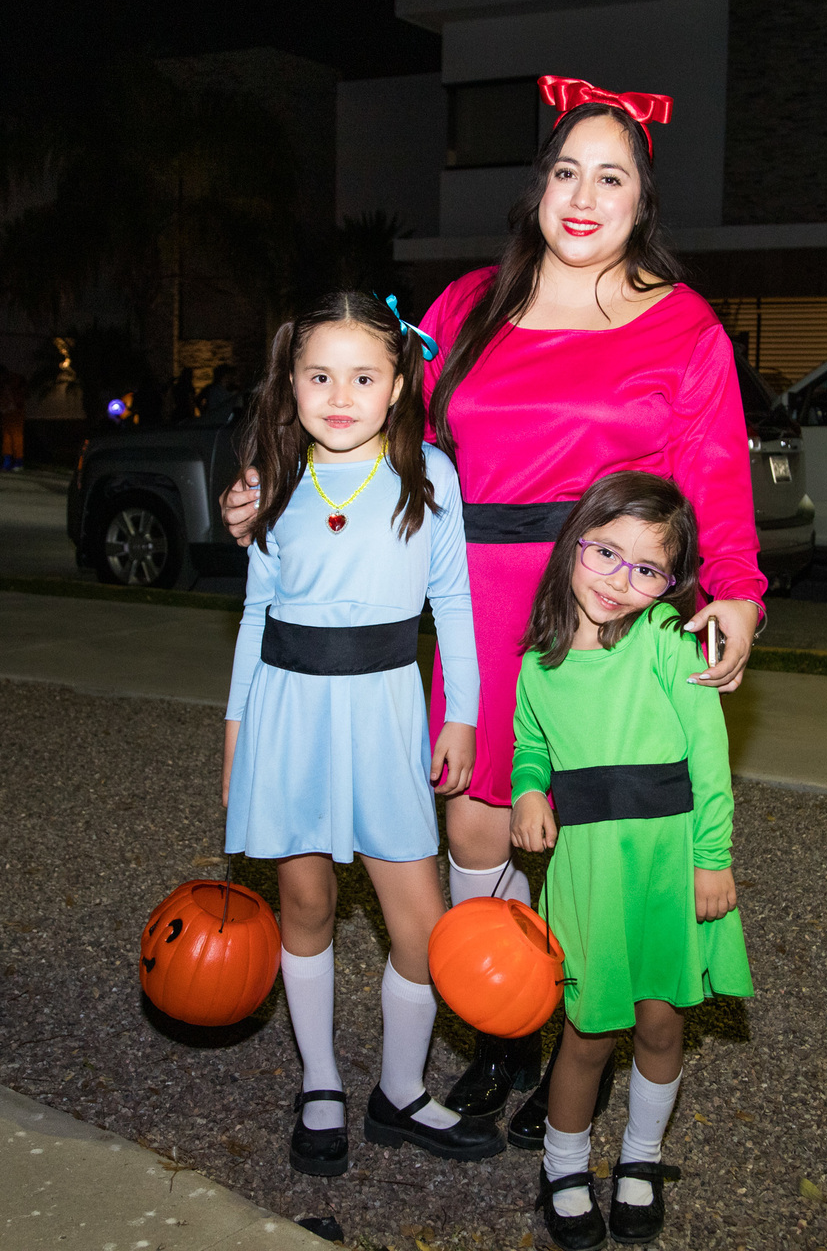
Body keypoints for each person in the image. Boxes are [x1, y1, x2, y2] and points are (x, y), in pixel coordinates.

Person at [222, 75, 765, 1138]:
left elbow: (714, 470)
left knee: (600, 843)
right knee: (479, 835)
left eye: (610, 177)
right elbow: (362, 416)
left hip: (606, 620)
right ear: (538, 188)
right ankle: (502, 1024)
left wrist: (738, 591)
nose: (583, 195)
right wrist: (258, 485)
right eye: (566, 170)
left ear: (641, 199)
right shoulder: (467, 307)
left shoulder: (685, 326)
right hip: (477, 597)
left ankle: (587, 1038)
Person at [222, 290, 498, 1177]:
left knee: (420, 928)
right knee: (303, 907)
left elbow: (454, 601)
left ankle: (401, 1090)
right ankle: (321, 1082)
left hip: (385, 713)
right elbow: (255, 614)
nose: (340, 395)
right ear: (290, 385)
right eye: (319, 375)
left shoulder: (432, 479)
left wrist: (461, 715)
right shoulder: (271, 480)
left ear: (396, 388)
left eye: (362, 376)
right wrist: (235, 737)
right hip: (287, 714)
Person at [507, 471, 751, 1249]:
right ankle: (564, 1163)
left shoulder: (670, 646)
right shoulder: (538, 663)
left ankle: (641, 1159)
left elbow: (711, 761)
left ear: (671, 584)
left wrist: (711, 859)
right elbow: (530, 747)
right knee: (586, 1032)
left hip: (670, 863)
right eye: (606, 553)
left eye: (648, 569)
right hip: (590, 873)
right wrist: (528, 791)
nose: (621, 581)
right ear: (573, 543)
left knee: (661, 1024)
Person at [0, 364, 29, 470]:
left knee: (16, 437)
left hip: (15, 413)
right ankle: (8, 461)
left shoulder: (14, 380)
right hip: (7, 414)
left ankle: (18, 462)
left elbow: (24, 394)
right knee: (7, 439)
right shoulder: (3, 383)